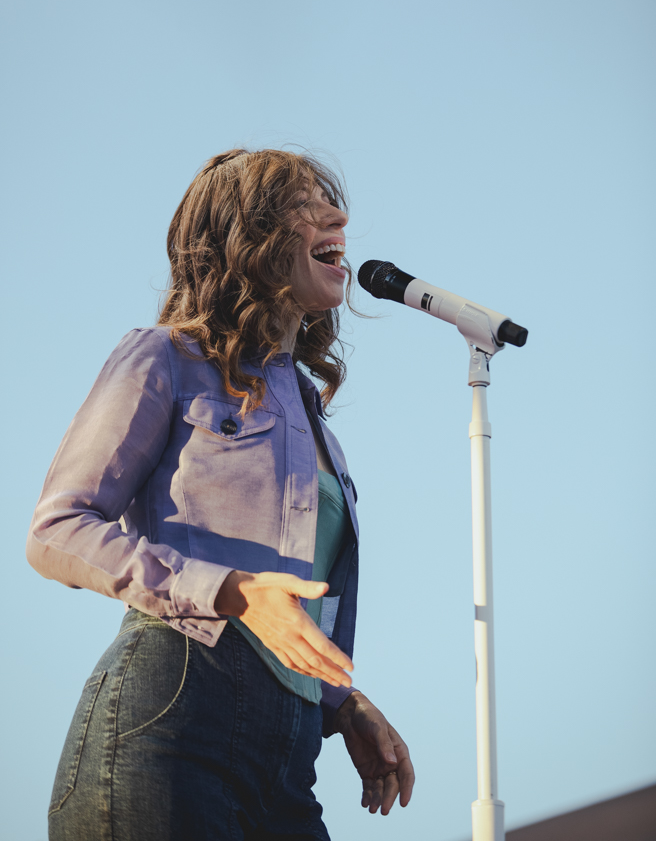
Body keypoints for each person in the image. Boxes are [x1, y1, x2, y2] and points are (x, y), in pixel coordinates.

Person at [27, 148, 414, 841]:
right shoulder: (164, 356)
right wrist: (228, 590)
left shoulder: (312, 417)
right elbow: (55, 531)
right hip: (171, 714)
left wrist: (343, 703)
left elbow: (290, 607)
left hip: (290, 757)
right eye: (304, 204)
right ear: (248, 236)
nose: (338, 218)